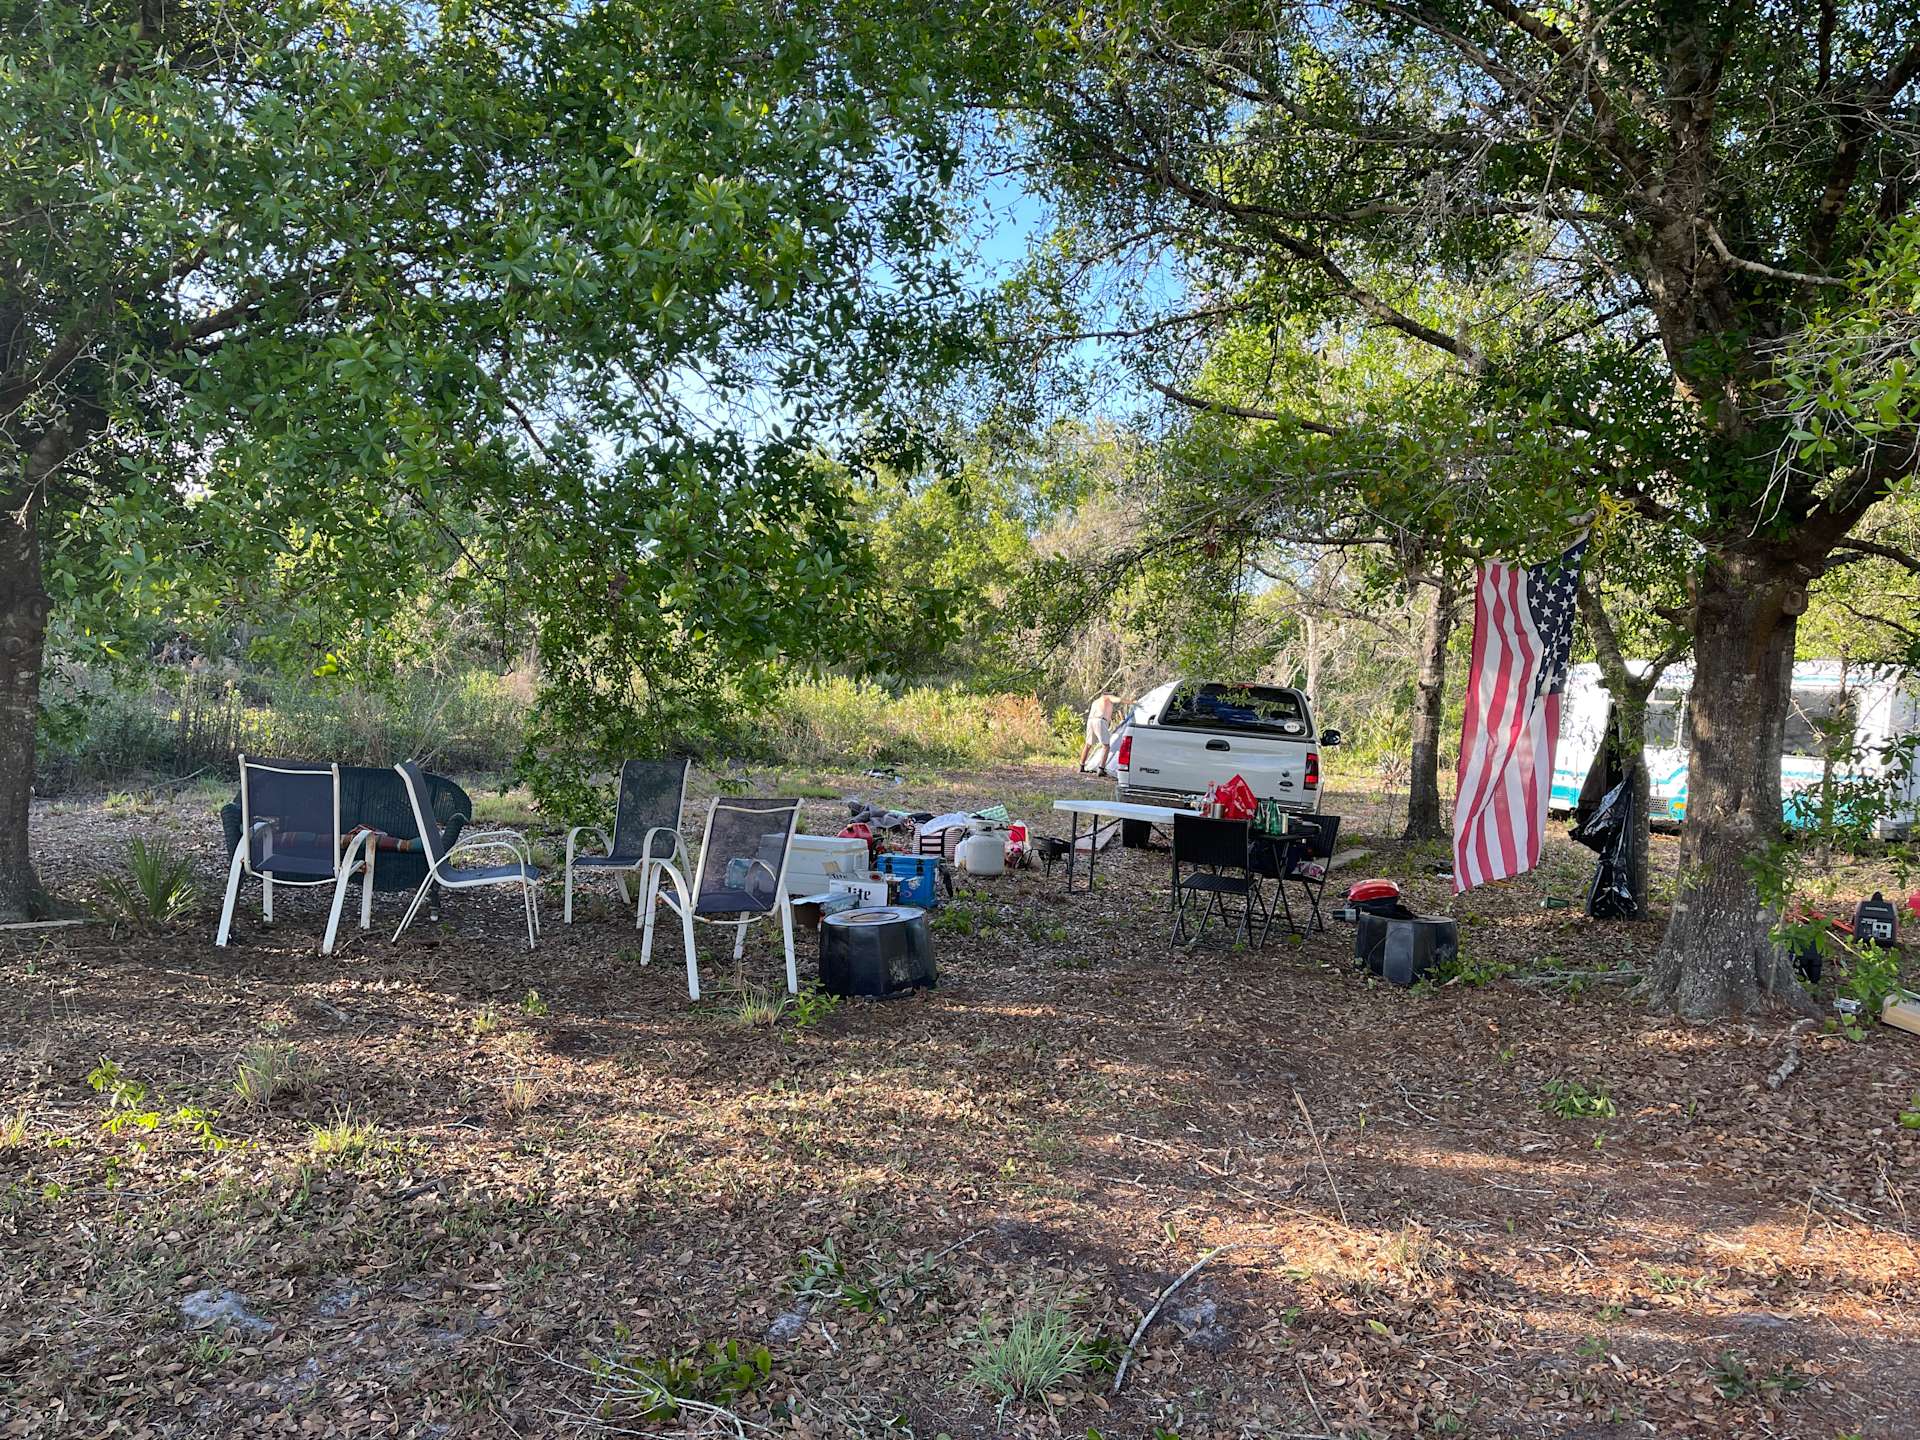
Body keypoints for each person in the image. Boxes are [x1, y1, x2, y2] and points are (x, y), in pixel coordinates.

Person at [1078, 692, 1124, 774]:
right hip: (1100, 721)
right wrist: (1133, 702)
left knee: (1088, 744)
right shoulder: (1107, 697)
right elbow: (1119, 700)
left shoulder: (1096, 701)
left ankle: (1081, 766)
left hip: (1091, 720)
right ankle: (1101, 769)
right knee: (1106, 746)